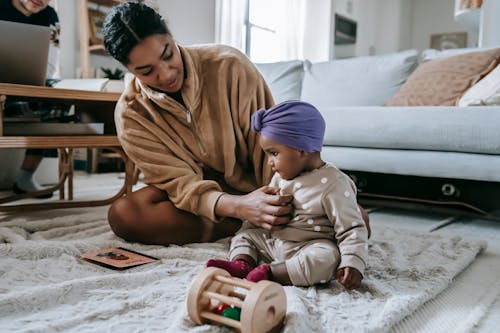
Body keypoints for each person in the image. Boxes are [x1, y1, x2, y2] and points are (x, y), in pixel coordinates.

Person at [102, 2, 369, 247]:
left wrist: (279, 200)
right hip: (206, 199)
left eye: (168, 55)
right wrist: (238, 206)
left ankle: (263, 223)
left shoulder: (228, 65)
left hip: (260, 185)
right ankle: (248, 225)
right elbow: (178, 184)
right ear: (129, 70)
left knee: (356, 219)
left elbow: (268, 146)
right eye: (147, 71)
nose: (166, 73)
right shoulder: (131, 114)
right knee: (125, 214)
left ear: (172, 37)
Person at [206, 101, 368, 289]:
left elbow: (352, 228)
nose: (269, 162)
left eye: (274, 153)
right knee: (245, 235)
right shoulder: (280, 178)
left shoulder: (334, 183)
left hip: (311, 246)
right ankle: (242, 264)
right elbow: (265, 211)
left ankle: (272, 274)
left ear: (301, 149)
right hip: (276, 242)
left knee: (328, 258)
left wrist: (352, 262)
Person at [0, 0, 61, 198]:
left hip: (31, 84)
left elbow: (52, 59)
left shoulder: (50, 16)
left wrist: (40, 80)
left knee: (56, 98)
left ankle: (25, 177)